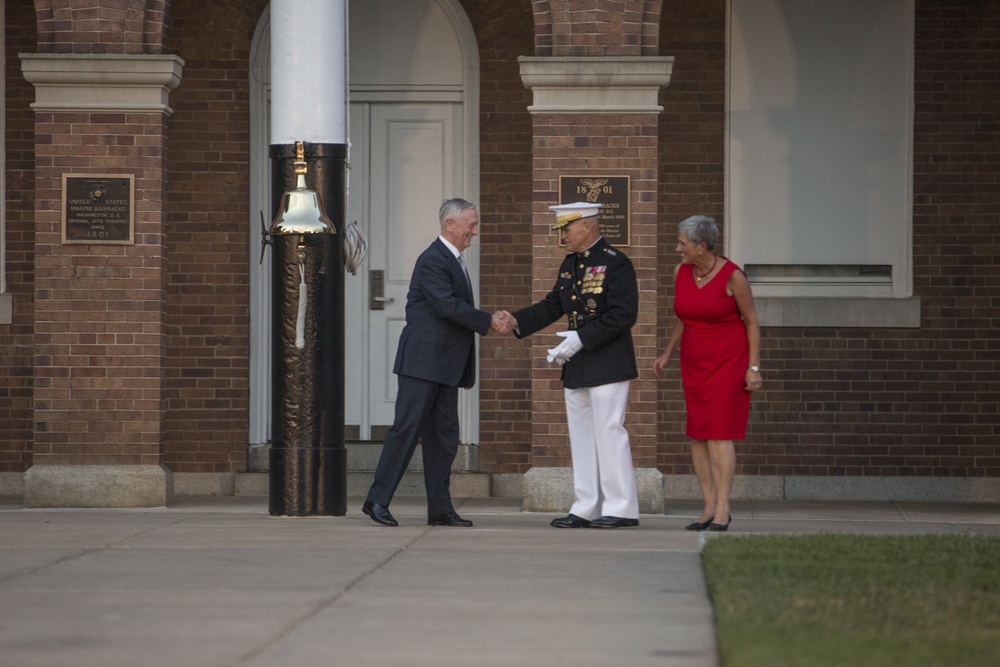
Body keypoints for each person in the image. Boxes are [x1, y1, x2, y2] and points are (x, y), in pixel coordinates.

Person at [363, 198, 512, 527]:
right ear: (450, 225)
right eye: (471, 224)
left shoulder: (454, 259)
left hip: (446, 365)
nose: (475, 231)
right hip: (423, 362)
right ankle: (376, 500)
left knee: (444, 436)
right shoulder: (433, 260)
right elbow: (448, 306)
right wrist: (489, 321)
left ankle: (440, 509)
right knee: (406, 429)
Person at [504, 202, 641, 529]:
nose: (562, 235)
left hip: (608, 361)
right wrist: (516, 321)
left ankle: (621, 507)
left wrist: (581, 337)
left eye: (567, 228)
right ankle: (586, 505)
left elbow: (623, 315)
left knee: (609, 433)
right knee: (581, 437)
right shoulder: (570, 264)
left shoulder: (616, 263)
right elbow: (554, 305)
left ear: (587, 227)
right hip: (578, 363)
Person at [652, 215, 762, 532]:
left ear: (701, 247)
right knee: (698, 434)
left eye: (682, 244)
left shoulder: (733, 277)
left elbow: (752, 322)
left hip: (728, 359)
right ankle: (708, 506)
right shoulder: (680, 273)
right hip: (694, 360)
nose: (678, 249)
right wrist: (668, 352)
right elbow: (685, 317)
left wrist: (754, 367)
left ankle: (724, 508)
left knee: (718, 431)